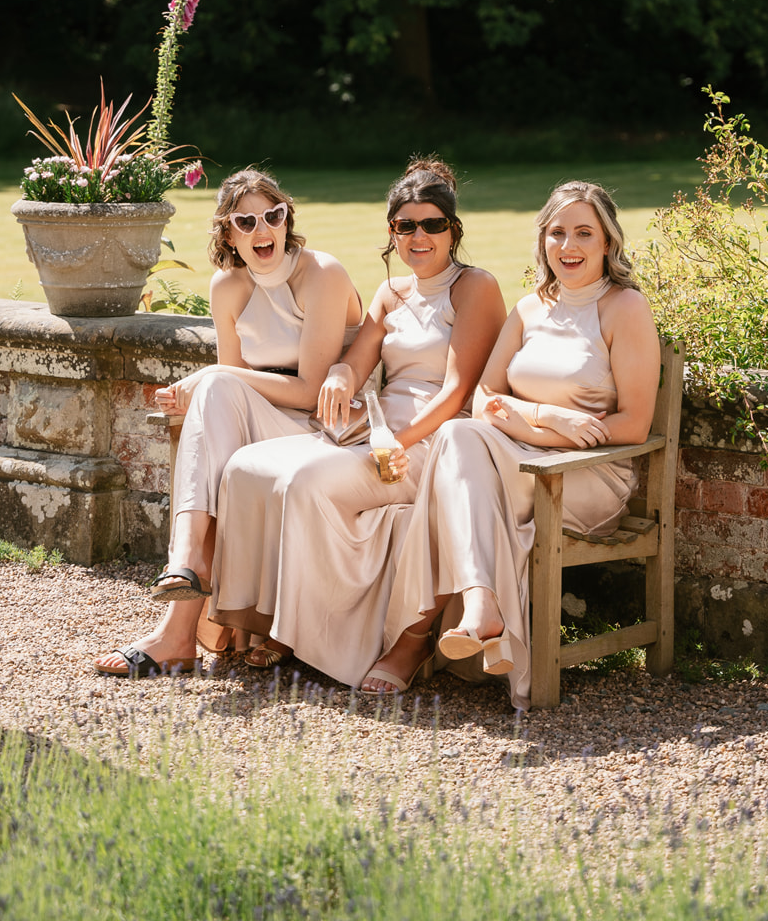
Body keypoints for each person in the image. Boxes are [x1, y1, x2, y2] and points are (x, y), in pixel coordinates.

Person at [208, 157, 507, 685]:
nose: (419, 236)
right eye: (405, 225)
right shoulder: (391, 294)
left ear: (452, 230)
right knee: (246, 466)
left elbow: (458, 391)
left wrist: (397, 444)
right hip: (373, 433)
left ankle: (309, 635)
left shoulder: (474, 287)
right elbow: (357, 358)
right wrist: (342, 377)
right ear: (392, 233)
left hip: (435, 445)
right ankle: (262, 620)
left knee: (304, 483)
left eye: (432, 224)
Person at [366, 179, 660, 707]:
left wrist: (543, 427)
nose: (568, 247)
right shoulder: (529, 309)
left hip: (588, 474)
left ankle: (421, 639)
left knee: (450, 483)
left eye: (583, 234)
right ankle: (481, 603)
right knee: (457, 433)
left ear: (608, 243)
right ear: (543, 240)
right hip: (527, 460)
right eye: (557, 233)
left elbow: (634, 426)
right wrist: (547, 416)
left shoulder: (625, 309)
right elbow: (483, 401)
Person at [95, 167, 362, 678]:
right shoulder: (228, 287)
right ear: (227, 232)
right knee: (215, 404)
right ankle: (185, 580)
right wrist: (205, 394)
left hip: (327, 425)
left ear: (287, 218)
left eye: (273, 216)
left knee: (216, 387)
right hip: (266, 416)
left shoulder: (322, 274)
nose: (263, 230)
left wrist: (211, 378)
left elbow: (308, 392)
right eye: (246, 221)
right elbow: (232, 384)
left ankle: (182, 592)